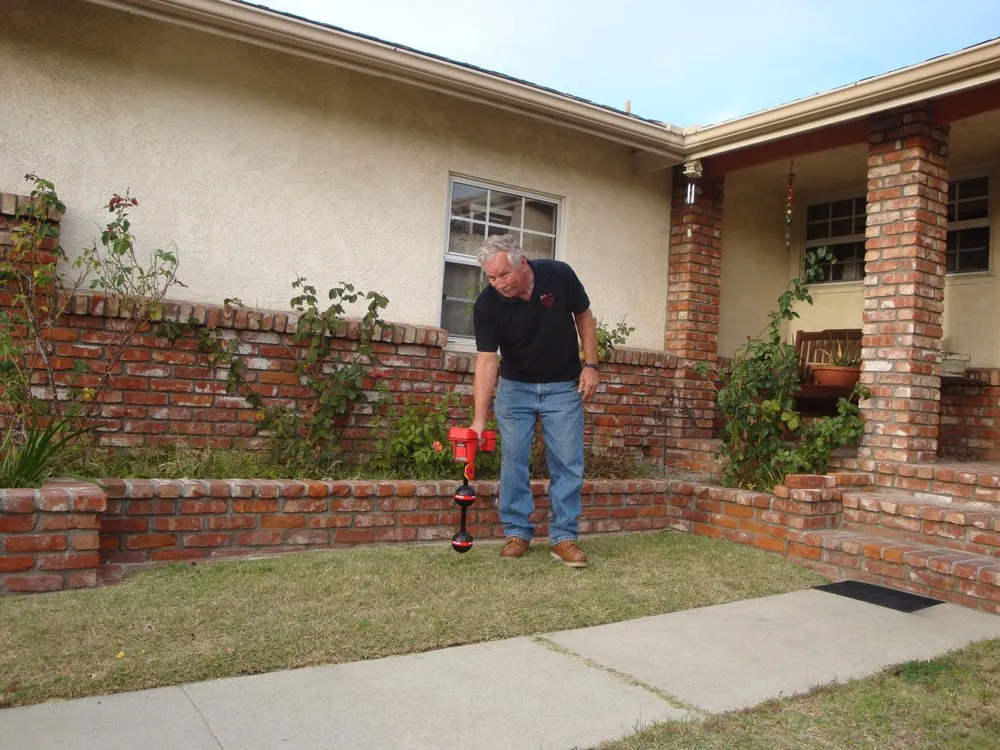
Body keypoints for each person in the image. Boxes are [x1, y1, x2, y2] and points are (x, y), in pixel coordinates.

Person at [468, 234, 599, 568]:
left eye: (503, 275)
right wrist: (479, 419)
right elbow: (486, 361)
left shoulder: (559, 275)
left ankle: (564, 537)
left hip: (563, 386)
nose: (497, 284)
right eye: (491, 277)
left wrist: (591, 365)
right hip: (515, 389)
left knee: (568, 462)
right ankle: (516, 531)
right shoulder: (487, 304)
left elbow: (584, 316)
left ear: (522, 262)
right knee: (513, 460)